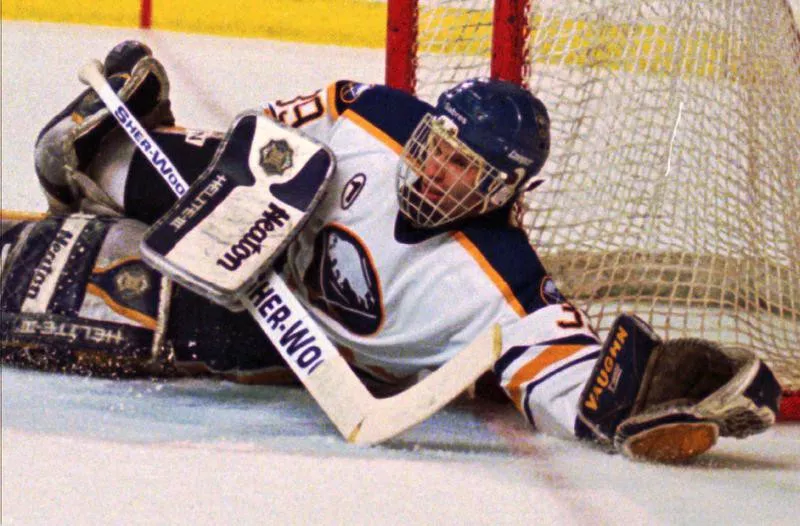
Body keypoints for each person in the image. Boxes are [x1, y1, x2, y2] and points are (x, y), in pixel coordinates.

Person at [1, 41, 781, 462]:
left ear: (506, 192)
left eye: (463, 169)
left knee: (79, 282)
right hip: (263, 238)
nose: (435, 170)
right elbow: (280, 132)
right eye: (437, 147)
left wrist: (642, 396)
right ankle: (105, 154)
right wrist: (248, 188)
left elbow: (570, 379)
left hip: (280, 331)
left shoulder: (502, 285)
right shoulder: (379, 118)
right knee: (208, 174)